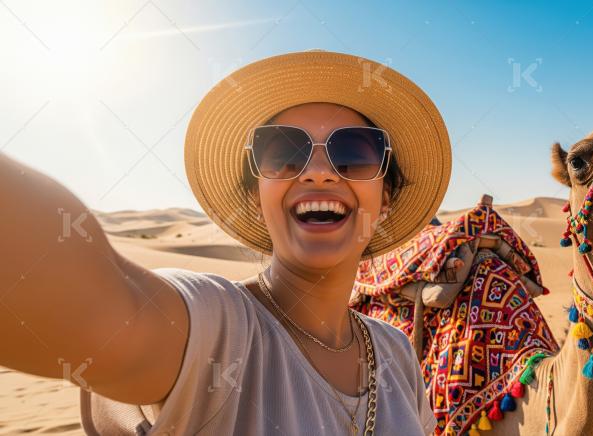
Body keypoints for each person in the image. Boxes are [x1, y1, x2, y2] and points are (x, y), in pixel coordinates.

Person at [0, 50, 452, 435]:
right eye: (283, 153)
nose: (319, 171)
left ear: (386, 199)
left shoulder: (394, 351)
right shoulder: (219, 330)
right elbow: (95, 304)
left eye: (353, 153)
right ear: (257, 200)